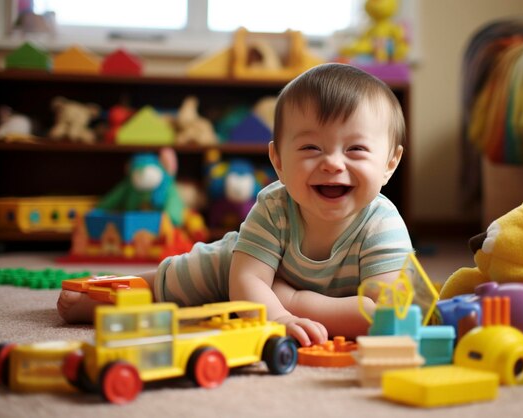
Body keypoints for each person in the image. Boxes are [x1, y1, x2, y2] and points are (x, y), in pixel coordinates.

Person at [57, 63, 413, 347]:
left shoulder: (383, 225)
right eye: (311, 148)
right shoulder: (274, 205)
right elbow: (246, 280)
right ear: (278, 161)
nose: (333, 163)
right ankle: (115, 289)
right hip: (242, 262)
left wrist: (291, 300)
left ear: (389, 164)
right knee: (185, 278)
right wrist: (277, 318)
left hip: (282, 287)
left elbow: (382, 313)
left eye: (356, 149)